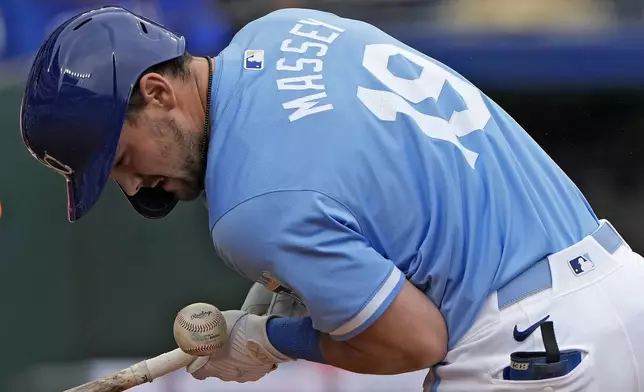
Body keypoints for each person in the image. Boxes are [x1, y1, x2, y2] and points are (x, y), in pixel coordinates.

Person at [19, 5, 644, 391]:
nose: (132, 186)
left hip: (531, 353)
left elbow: (413, 341)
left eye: (122, 158)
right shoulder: (287, 28)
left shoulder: (249, 212)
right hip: (620, 286)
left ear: (157, 92)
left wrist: (270, 343)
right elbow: (355, 188)